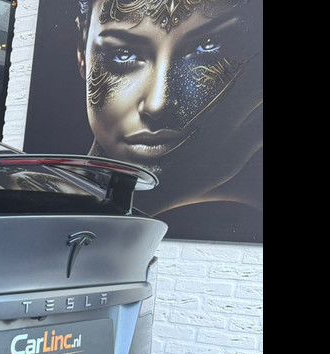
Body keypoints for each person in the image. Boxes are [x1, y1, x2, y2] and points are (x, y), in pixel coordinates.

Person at [74, 0, 262, 241]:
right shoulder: (43, 200)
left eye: (207, 46)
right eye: (123, 54)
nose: (158, 104)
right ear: (82, 50)